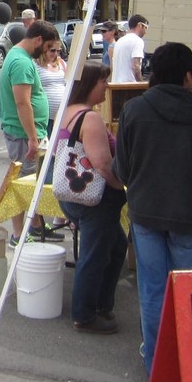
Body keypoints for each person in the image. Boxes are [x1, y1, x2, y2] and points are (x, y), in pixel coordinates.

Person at [113, 41, 192, 374]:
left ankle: (157, 365)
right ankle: (188, 364)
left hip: (146, 212)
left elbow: (122, 168)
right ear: (188, 75)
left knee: (152, 291)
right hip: (191, 216)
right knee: (191, 291)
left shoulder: (134, 110)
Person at [56, 63, 127, 335]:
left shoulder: (67, 113)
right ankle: (85, 314)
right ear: (88, 85)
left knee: (115, 246)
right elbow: (103, 165)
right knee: (95, 255)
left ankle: (100, 304)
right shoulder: (90, 118)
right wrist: (120, 186)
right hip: (95, 198)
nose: (107, 87)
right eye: (102, 82)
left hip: (74, 196)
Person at [0, 19, 61, 241]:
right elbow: (22, 103)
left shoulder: (18, 57)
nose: (47, 53)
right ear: (38, 40)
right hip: (23, 134)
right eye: (47, 47)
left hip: (25, 133)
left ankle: (33, 227)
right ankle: (19, 235)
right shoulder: (23, 63)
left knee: (33, 183)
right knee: (20, 185)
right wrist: (33, 138)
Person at [35, 39, 67, 131]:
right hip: (45, 118)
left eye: (58, 51)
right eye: (52, 50)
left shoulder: (61, 63)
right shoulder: (35, 65)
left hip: (62, 116)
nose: (55, 54)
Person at [111, 14, 147, 82]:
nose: (145, 32)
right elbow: (136, 66)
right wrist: (141, 84)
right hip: (128, 86)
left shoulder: (120, 41)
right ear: (139, 25)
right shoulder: (138, 41)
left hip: (115, 84)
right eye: (145, 27)